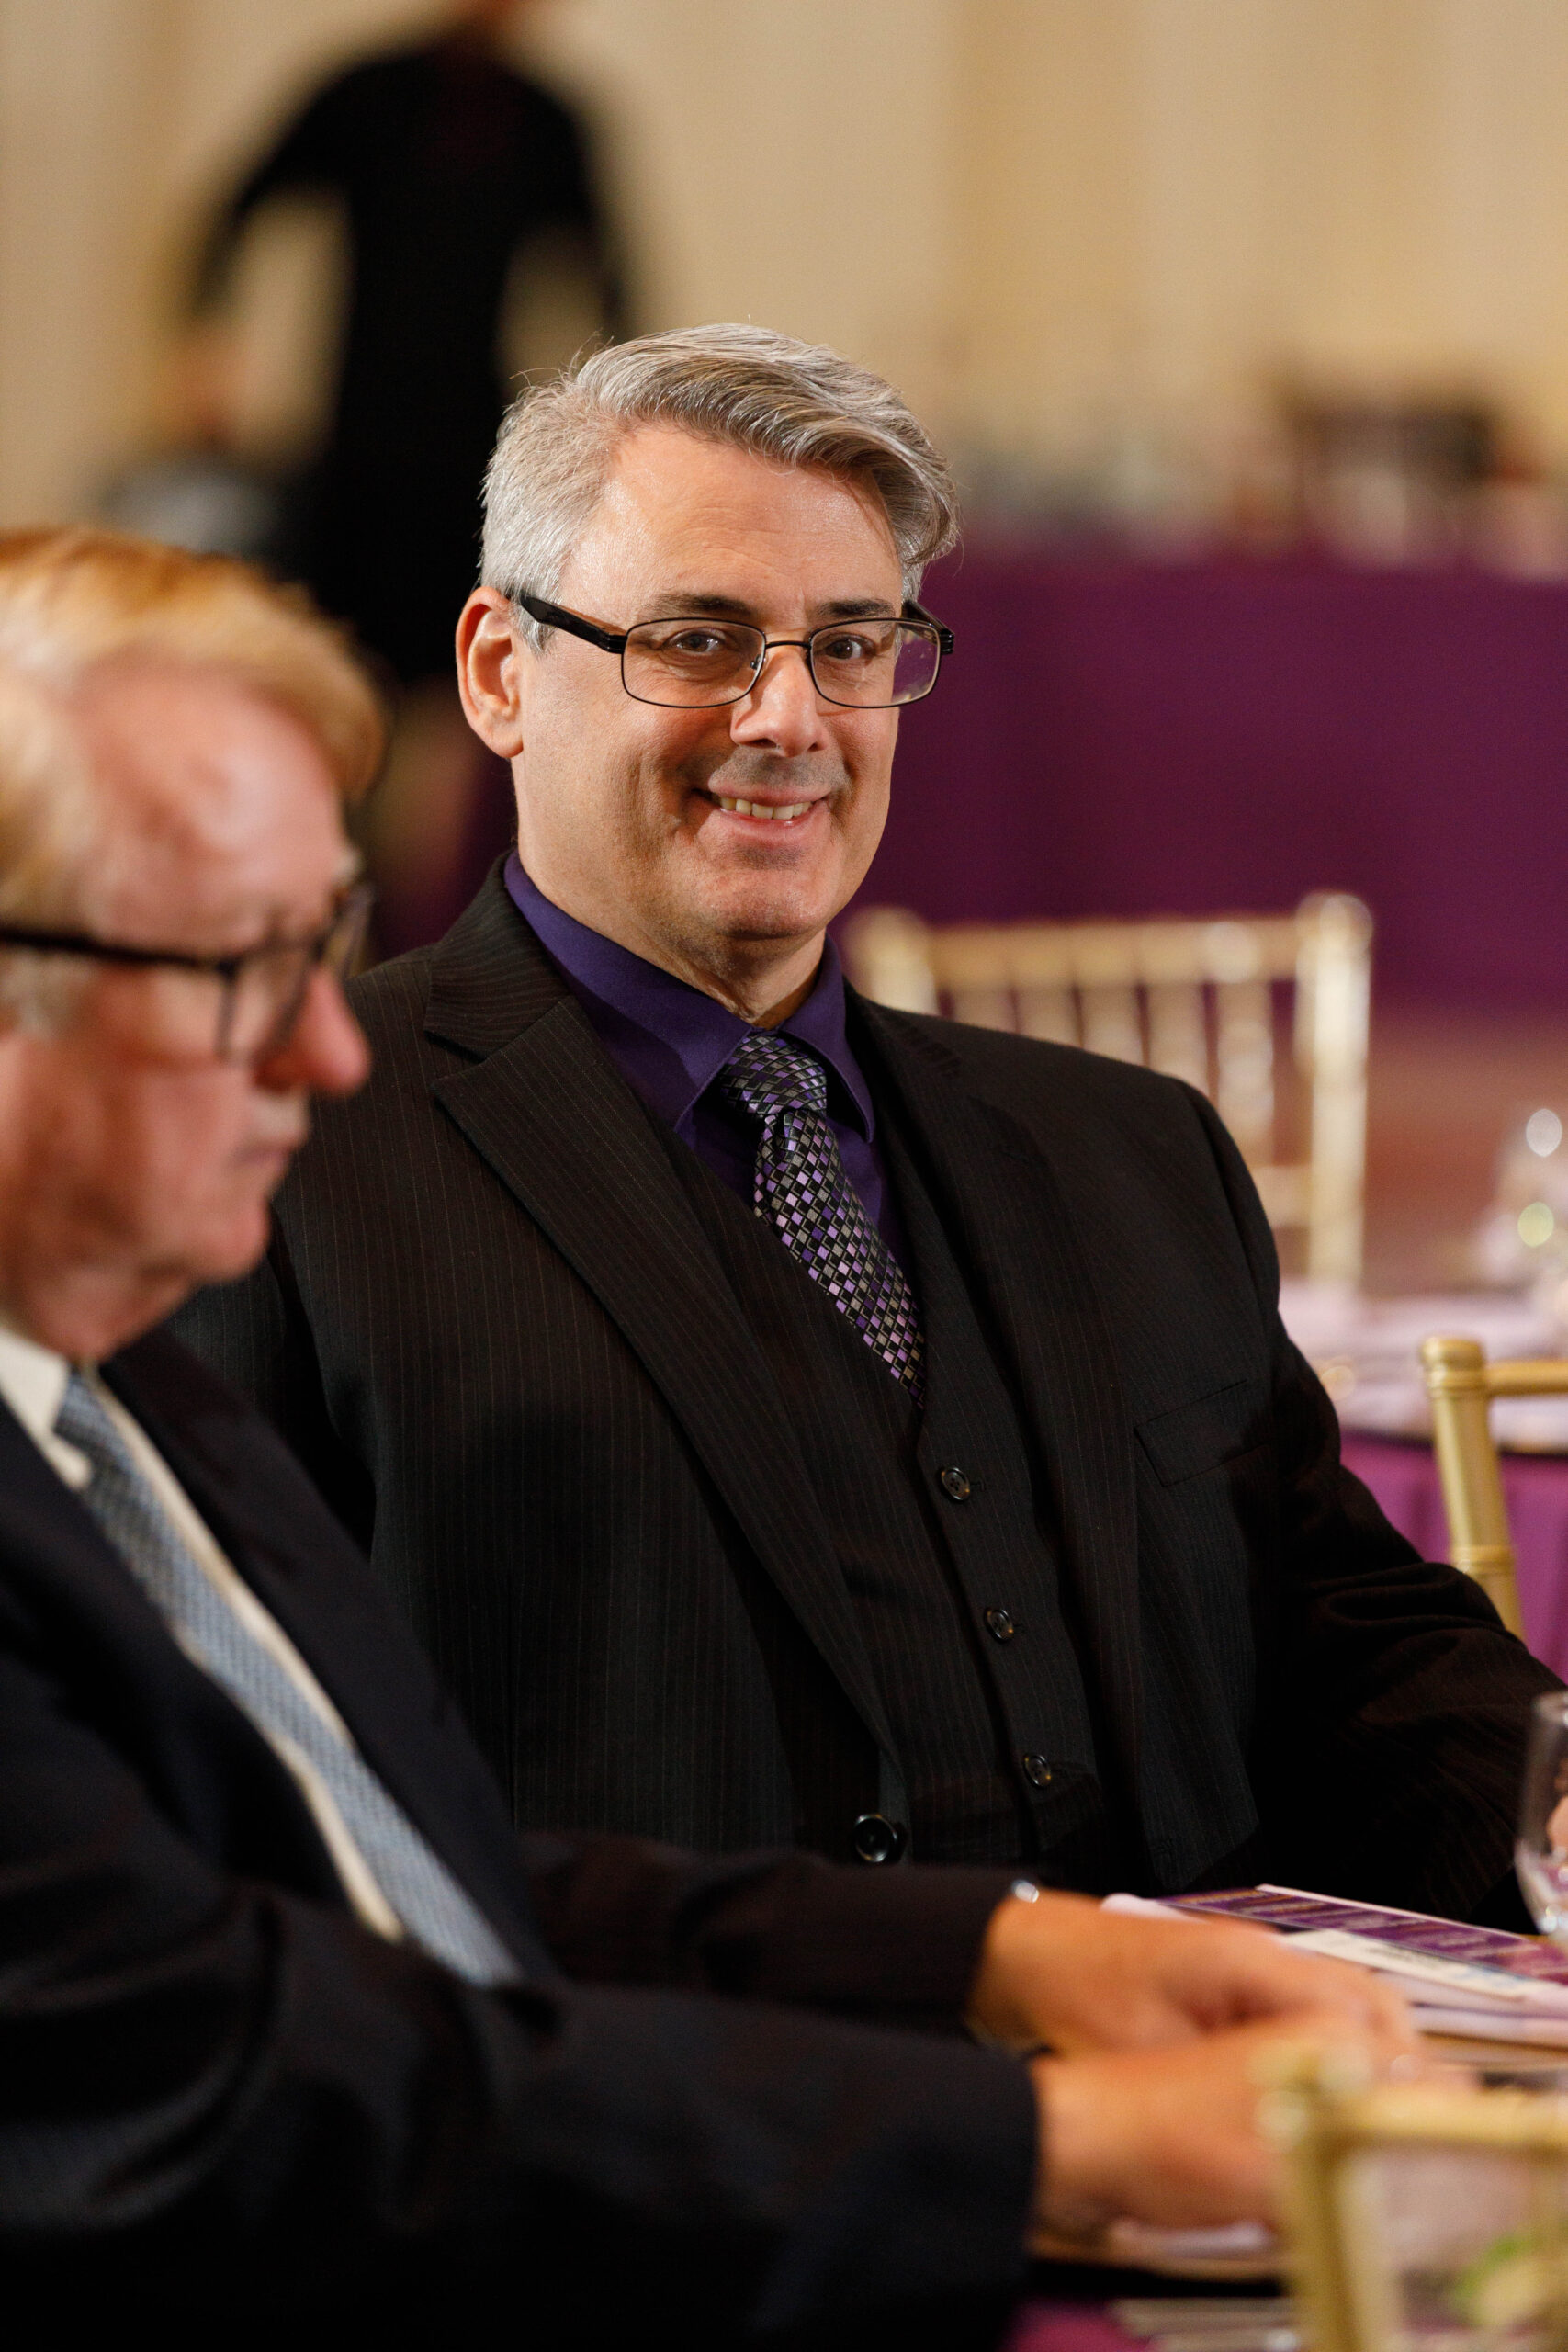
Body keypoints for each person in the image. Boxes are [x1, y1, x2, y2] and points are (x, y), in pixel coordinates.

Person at [0, 526, 1409, 2341]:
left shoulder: (124, 1396)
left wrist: (1001, 1951)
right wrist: (1043, 2142)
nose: (323, 1054)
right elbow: (227, 2095)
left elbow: (413, 1872)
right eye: (235, 967)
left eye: (317, 947)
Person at [173, 325, 1561, 1924]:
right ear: (499, 674)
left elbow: (1342, 1636)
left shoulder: (1131, 1154)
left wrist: (1556, 1796)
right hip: (655, 2069)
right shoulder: (275, 1154)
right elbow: (250, 1806)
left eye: (850, 644)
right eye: (700, 640)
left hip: (1200, 2056)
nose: (792, 718)